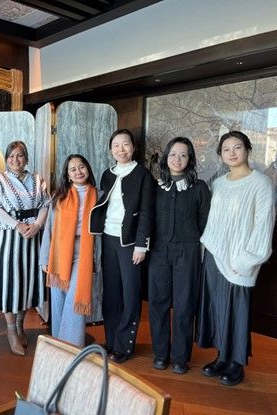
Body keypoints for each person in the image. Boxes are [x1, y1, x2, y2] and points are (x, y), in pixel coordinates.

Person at [197, 130, 275, 386]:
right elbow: (214, 220)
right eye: (226, 149)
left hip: (241, 258)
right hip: (214, 255)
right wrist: (207, 248)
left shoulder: (260, 183)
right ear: (220, 155)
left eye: (237, 147)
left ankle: (236, 364)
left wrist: (247, 260)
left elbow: (263, 226)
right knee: (217, 307)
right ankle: (222, 357)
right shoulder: (218, 183)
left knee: (237, 311)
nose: (231, 153)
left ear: (247, 150)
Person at [89, 128, 155, 363]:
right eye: (116, 145)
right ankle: (111, 340)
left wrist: (141, 245)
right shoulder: (107, 174)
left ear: (133, 147)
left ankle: (125, 346)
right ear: (111, 150)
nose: (121, 149)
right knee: (111, 293)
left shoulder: (143, 174)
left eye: (125, 144)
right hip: (108, 238)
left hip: (130, 242)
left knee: (130, 293)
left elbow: (146, 212)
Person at [148, 137, 211, 374]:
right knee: (158, 303)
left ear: (190, 159)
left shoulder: (199, 188)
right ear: (166, 158)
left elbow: (206, 223)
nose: (177, 159)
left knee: (184, 304)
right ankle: (160, 354)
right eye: (173, 154)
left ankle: (180, 358)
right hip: (158, 250)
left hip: (188, 251)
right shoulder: (155, 187)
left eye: (183, 155)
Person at [0, 141, 49, 355]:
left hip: (32, 236)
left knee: (27, 282)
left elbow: (45, 205)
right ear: (6, 159)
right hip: (9, 235)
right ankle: (11, 331)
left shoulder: (38, 180)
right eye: (11, 156)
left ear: (27, 158)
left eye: (20, 155)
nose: (16, 160)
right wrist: (17, 225)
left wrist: (37, 225)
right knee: (10, 282)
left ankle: (21, 326)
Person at [40, 154, 102, 348]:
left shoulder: (99, 196)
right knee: (58, 300)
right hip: (59, 253)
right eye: (72, 169)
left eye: (81, 167)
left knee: (74, 300)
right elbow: (49, 229)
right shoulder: (59, 196)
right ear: (67, 175)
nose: (78, 172)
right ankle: (59, 346)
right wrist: (44, 258)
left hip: (84, 252)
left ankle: (72, 348)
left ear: (88, 169)